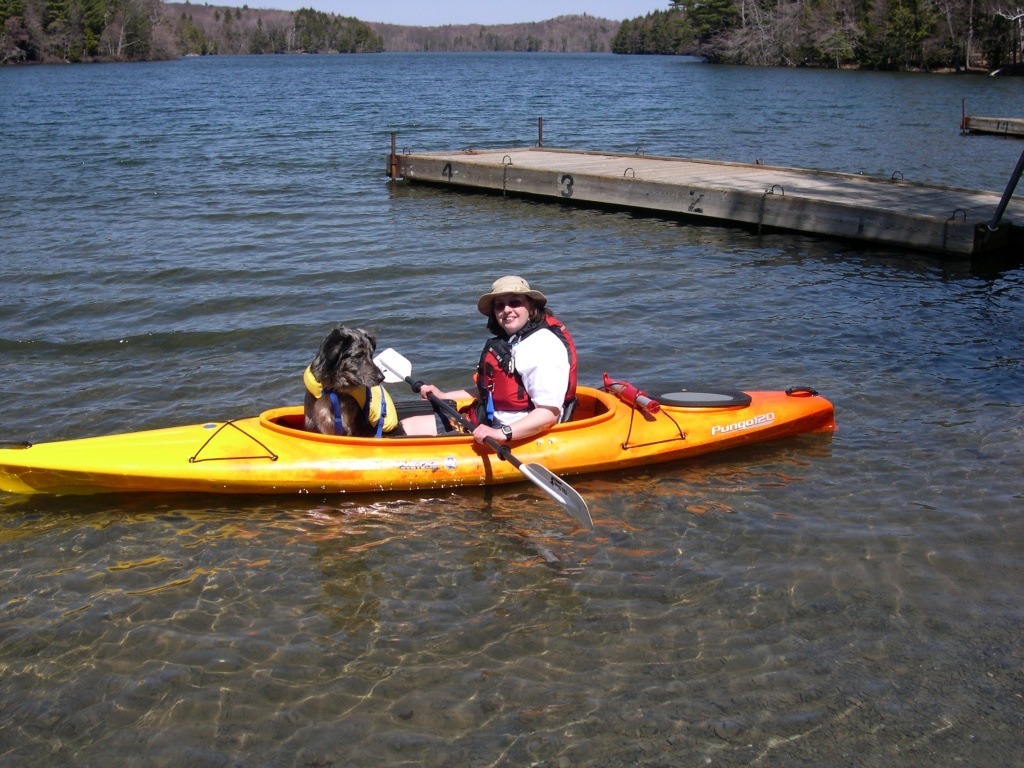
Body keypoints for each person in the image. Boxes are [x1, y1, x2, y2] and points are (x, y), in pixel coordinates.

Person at [400, 275, 578, 446]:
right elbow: (491, 390)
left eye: (515, 302)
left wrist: (501, 433)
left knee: (407, 435)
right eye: (500, 305)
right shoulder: (513, 341)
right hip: (487, 420)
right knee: (406, 427)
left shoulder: (542, 346)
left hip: (517, 435)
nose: (507, 309)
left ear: (531, 308)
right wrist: (444, 396)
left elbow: (549, 413)